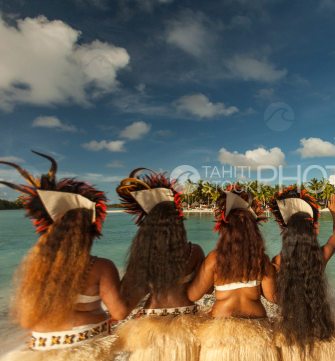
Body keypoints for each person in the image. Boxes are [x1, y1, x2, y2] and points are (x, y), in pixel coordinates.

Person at [0, 151, 127, 361]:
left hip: (43, 348)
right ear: (90, 231)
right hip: (87, 346)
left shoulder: (34, 267)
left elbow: (25, 321)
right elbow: (120, 313)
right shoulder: (100, 266)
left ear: (50, 230)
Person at [113, 168, 205, 361]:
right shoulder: (193, 251)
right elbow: (207, 288)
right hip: (187, 318)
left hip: (152, 322)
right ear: (178, 222)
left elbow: (122, 309)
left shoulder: (142, 255)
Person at [187, 184, 278, 361]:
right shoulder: (261, 259)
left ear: (225, 229)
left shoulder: (214, 258)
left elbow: (193, 295)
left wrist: (191, 274)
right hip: (256, 331)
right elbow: (273, 297)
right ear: (254, 231)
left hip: (220, 332)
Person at [268, 188, 335, 361]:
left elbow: (273, 294)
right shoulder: (320, 256)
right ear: (311, 235)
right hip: (318, 321)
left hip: (289, 323)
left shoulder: (279, 260)